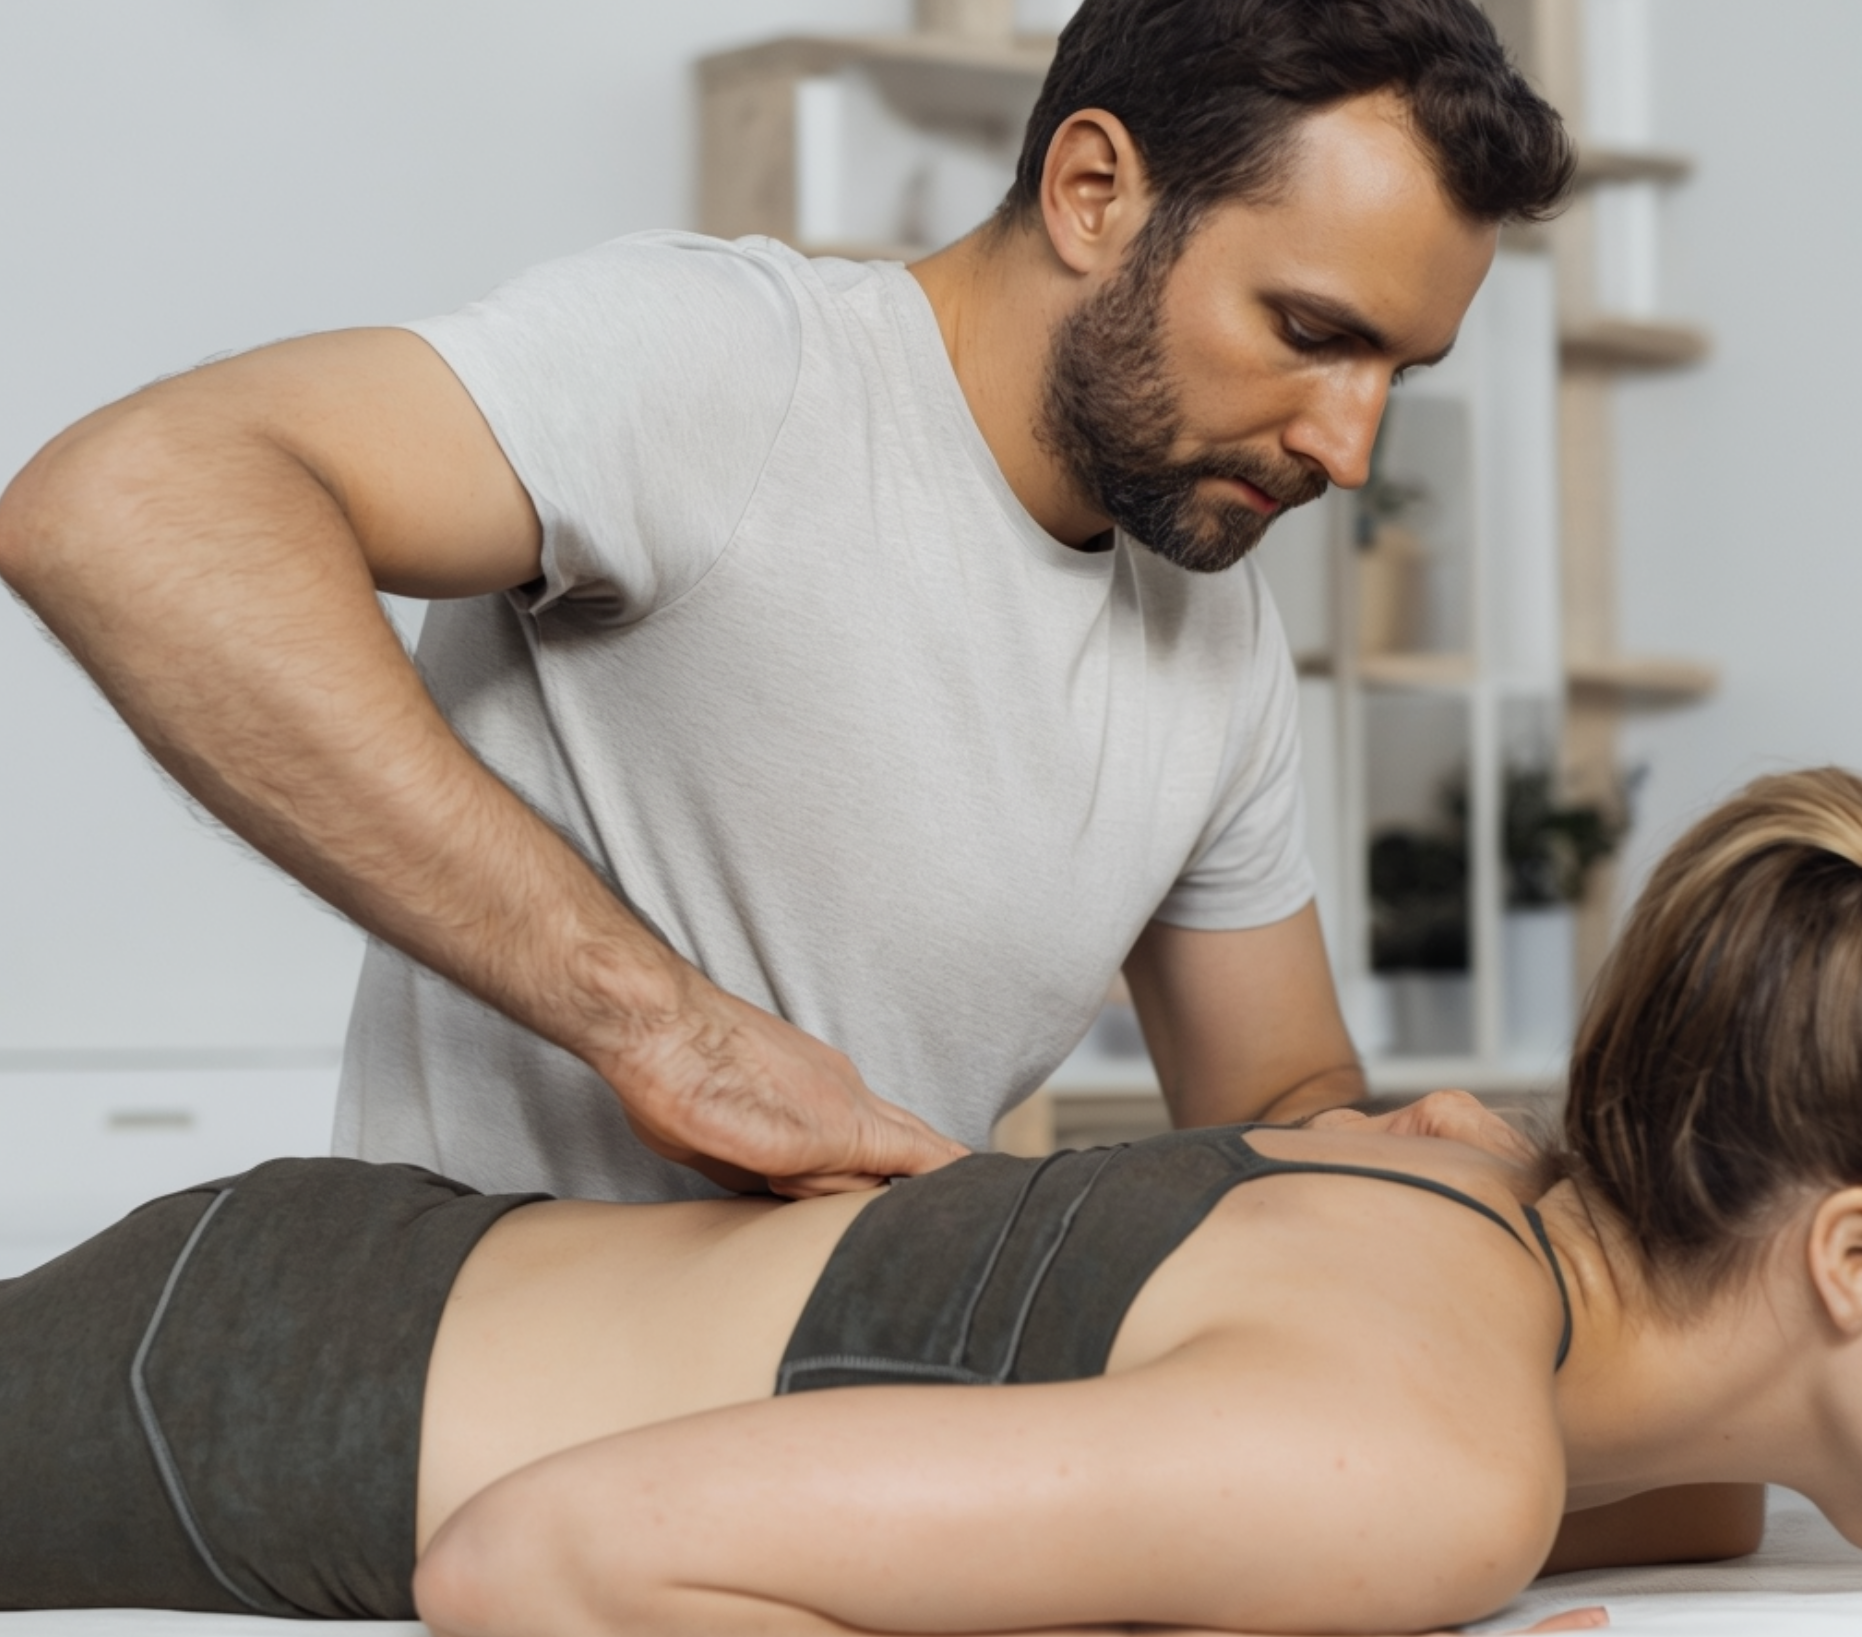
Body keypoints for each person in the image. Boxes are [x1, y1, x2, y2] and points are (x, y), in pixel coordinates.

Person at [0, 0, 1573, 1202]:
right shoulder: (735, 367)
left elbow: (1270, 1088)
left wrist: (1407, 1172)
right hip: (486, 1392)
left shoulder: (1208, 631)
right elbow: (126, 503)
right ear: (1094, 190)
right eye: (1309, 330)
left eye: (1397, 376)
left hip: (843, 1418)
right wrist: (658, 1026)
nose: (1348, 449)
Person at [9, 767, 1862, 1634]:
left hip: (306, 1275)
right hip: (218, 1418)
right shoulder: (1437, 1459)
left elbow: (1678, 1488)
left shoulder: (1491, 1242)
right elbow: (542, 1562)